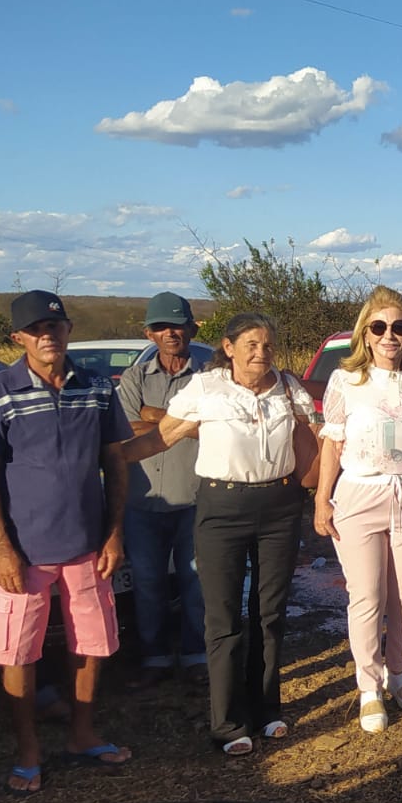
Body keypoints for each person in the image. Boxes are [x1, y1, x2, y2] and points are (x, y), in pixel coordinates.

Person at [129, 312, 315, 755]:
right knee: (224, 616)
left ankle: (267, 709)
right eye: (250, 344)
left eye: (268, 344)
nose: (260, 352)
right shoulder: (206, 388)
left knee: (269, 613)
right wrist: (107, 457)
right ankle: (229, 722)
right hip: (221, 509)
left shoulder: (289, 388)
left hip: (280, 508)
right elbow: (162, 438)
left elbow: (320, 436)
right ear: (228, 348)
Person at [0, 291, 133, 794]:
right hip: (24, 550)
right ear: (18, 337)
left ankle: (82, 736)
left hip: (87, 545)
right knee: (18, 651)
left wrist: (113, 533)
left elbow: (115, 462)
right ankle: (28, 752)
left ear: (68, 331)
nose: (48, 336)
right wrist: (3, 547)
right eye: (37, 329)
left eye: (56, 326)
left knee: (93, 642)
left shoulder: (96, 387)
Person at [314, 287, 402, 734]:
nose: (390, 335)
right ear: (365, 334)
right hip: (359, 497)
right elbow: (331, 444)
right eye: (380, 327)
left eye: (399, 327)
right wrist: (321, 499)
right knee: (367, 597)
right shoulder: (345, 381)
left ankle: (401, 675)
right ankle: (369, 688)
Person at [117, 292, 207, 687]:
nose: (171, 333)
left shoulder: (210, 377)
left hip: (195, 498)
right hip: (142, 500)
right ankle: (153, 657)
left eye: (178, 325)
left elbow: (214, 426)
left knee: (195, 582)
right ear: (148, 333)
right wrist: (181, 422)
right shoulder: (135, 376)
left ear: (192, 328)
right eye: (161, 327)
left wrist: (152, 417)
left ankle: (195, 655)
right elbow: (124, 432)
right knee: (149, 583)